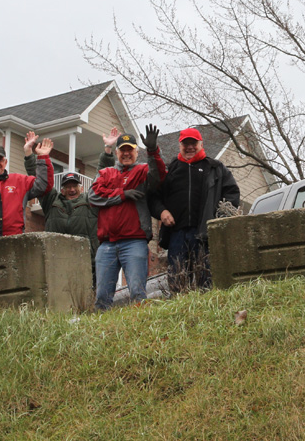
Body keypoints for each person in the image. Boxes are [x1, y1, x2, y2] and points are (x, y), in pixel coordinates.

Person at [148, 126, 240, 291]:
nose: (190, 147)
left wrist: (218, 220)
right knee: (177, 282)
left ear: (201, 144)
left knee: (206, 282)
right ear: (180, 146)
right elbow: (153, 197)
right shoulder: (170, 170)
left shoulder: (215, 168)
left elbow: (232, 194)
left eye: (194, 143)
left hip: (205, 235)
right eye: (186, 144)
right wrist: (162, 212)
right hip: (176, 235)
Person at [88, 126, 166, 309]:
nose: (126, 154)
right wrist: (122, 194)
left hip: (135, 241)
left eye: (130, 150)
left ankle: (141, 323)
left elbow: (159, 176)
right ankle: (102, 325)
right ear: (117, 153)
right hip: (107, 244)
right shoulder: (106, 173)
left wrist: (153, 151)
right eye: (122, 150)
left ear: (136, 152)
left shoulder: (143, 171)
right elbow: (93, 196)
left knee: (138, 292)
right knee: (101, 296)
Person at [25, 137, 100, 275]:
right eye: (68, 187)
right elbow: (39, 179)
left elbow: (100, 178)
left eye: (74, 186)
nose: (71, 189)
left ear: (81, 188)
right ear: (62, 190)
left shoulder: (90, 201)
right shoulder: (51, 201)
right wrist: (30, 154)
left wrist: (107, 152)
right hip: (56, 262)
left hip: (87, 262)